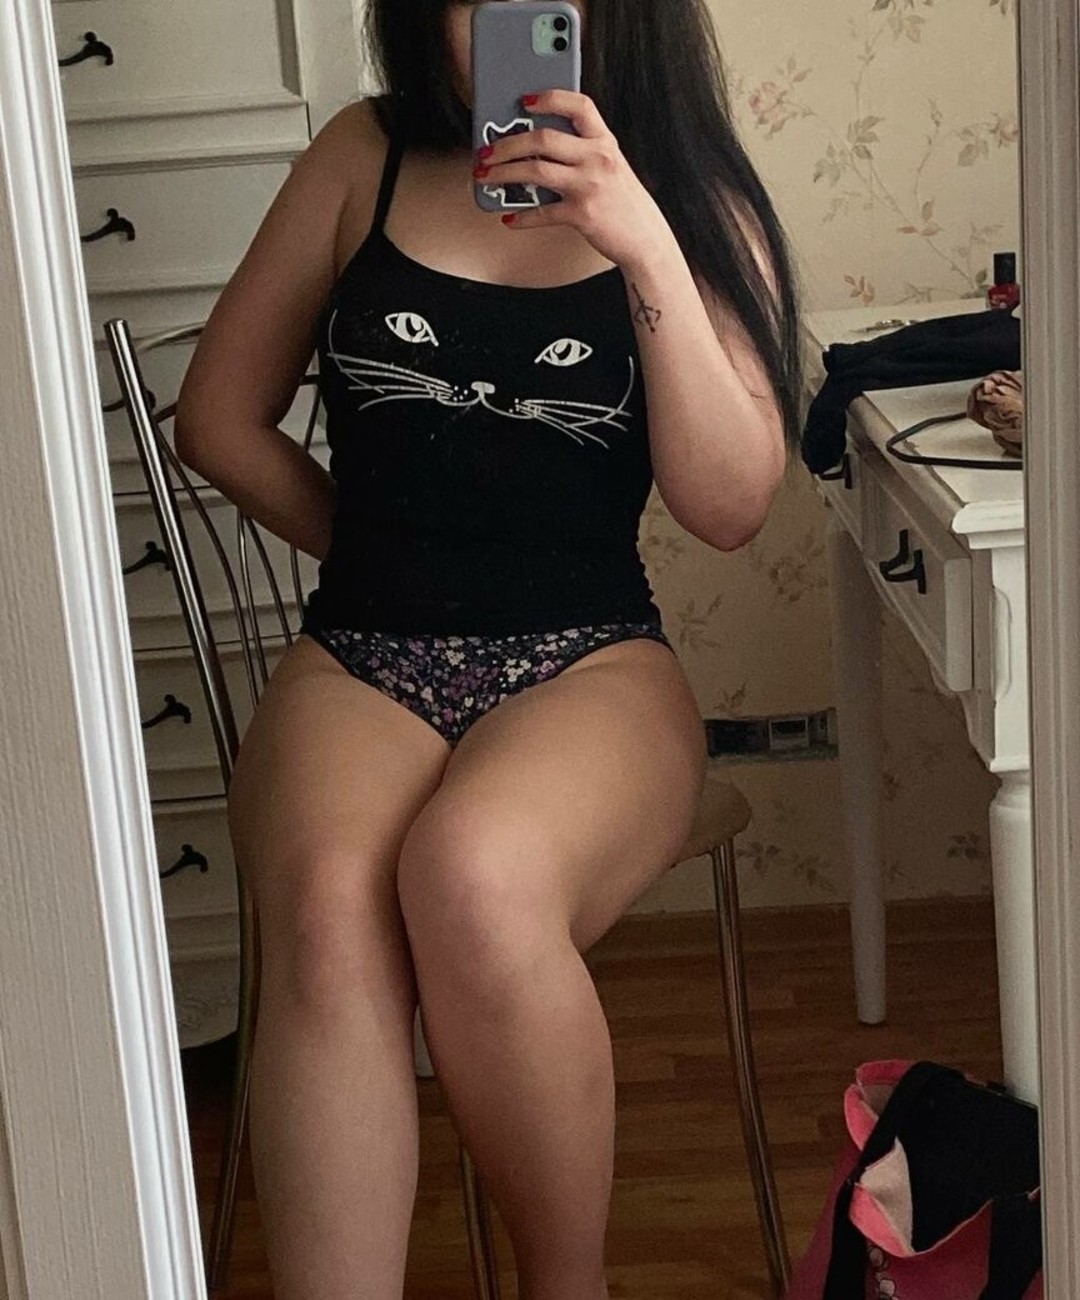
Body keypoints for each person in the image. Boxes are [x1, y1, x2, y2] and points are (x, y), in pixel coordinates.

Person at [174, 1, 803, 1296]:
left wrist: (640, 239)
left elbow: (732, 506)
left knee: (475, 874)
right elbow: (218, 417)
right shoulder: (362, 156)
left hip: (591, 659)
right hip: (365, 649)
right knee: (327, 907)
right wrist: (389, 545)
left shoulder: (688, 195)